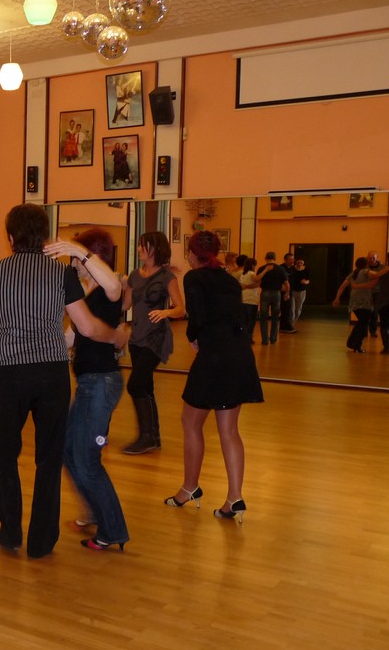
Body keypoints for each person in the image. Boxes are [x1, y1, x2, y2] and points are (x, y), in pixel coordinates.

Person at [0, 204, 129, 558]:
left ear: (10, 237)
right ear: (44, 237)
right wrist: (115, 335)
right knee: (48, 458)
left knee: (4, 454)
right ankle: (41, 542)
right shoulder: (61, 274)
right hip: (51, 373)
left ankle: (10, 533)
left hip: (10, 373)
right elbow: (85, 327)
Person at [165, 231, 263, 523]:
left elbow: (197, 316)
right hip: (239, 354)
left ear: (192, 253)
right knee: (229, 430)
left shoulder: (194, 277)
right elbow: (237, 317)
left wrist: (193, 337)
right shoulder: (229, 280)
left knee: (190, 422)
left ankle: (189, 487)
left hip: (215, 357)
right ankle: (234, 498)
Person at [55, 229, 131, 552]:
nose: (73, 262)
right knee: (68, 451)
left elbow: (115, 286)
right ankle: (95, 512)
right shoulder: (88, 293)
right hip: (90, 382)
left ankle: (112, 529)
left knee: (86, 459)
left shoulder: (107, 287)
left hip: (100, 383)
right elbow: (72, 337)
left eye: (76, 256)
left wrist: (78, 249)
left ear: (91, 255)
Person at [122, 231, 184, 454]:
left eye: (143, 245)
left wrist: (166, 312)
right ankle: (152, 437)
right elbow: (125, 305)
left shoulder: (167, 277)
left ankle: (147, 437)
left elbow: (180, 308)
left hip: (156, 338)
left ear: (155, 249)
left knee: (135, 385)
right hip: (137, 338)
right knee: (146, 386)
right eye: (139, 245)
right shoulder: (134, 275)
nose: (139, 249)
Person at [333, 257, 378, 353]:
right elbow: (377, 275)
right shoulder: (366, 272)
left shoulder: (353, 274)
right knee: (363, 324)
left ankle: (353, 343)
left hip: (354, 303)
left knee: (361, 323)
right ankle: (355, 344)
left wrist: (337, 298)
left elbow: (342, 287)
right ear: (366, 264)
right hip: (364, 302)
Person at [369, 250, 389, 354]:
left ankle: (386, 347)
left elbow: (375, 276)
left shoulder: (386, 269)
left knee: (384, 324)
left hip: (383, 299)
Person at [255, 251, 289, 345]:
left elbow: (258, 281)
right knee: (275, 317)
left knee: (263, 317)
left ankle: (265, 340)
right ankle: (273, 339)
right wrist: (287, 293)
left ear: (265, 258)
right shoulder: (281, 269)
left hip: (265, 293)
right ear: (275, 258)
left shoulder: (262, 268)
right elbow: (286, 284)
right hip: (277, 294)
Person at [237, 255, 261, 344]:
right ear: (253, 265)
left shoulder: (243, 274)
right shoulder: (251, 273)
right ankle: (248, 338)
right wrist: (265, 271)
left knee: (244, 321)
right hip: (251, 300)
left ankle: (243, 337)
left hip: (244, 299)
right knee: (251, 322)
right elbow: (257, 280)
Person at [278, 252, 297, 333]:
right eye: (290, 259)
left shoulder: (292, 268)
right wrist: (286, 291)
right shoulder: (281, 268)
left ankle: (286, 325)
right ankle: (285, 326)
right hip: (284, 292)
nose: (292, 261)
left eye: (293, 259)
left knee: (289, 309)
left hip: (290, 291)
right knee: (285, 309)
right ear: (285, 259)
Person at [290, 257, 311, 325]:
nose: (300, 264)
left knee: (298, 309)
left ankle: (293, 323)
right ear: (296, 262)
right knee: (292, 308)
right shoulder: (292, 269)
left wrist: (305, 282)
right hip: (293, 291)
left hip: (302, 291)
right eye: (298, 262)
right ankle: (290, 324)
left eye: (301, 263)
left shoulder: (306, 269)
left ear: (303, 263)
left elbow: (308, 280)